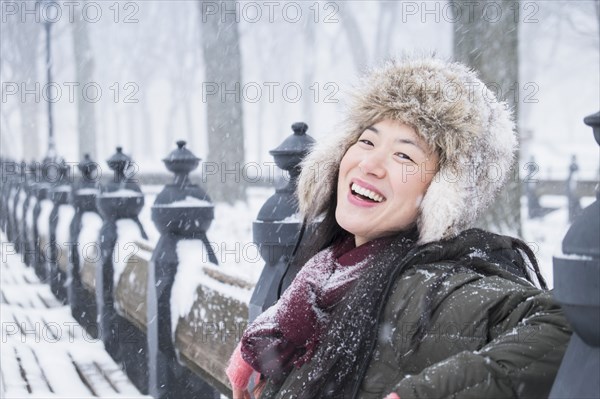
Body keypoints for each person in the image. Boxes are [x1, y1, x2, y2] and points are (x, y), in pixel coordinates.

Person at [225, 57, 571, 399]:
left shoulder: (436, 290)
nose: (370, 164)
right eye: (367, 141)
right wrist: (270, 332)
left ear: (442, 193)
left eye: (404, 156)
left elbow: (568, 330)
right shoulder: (329, 273)